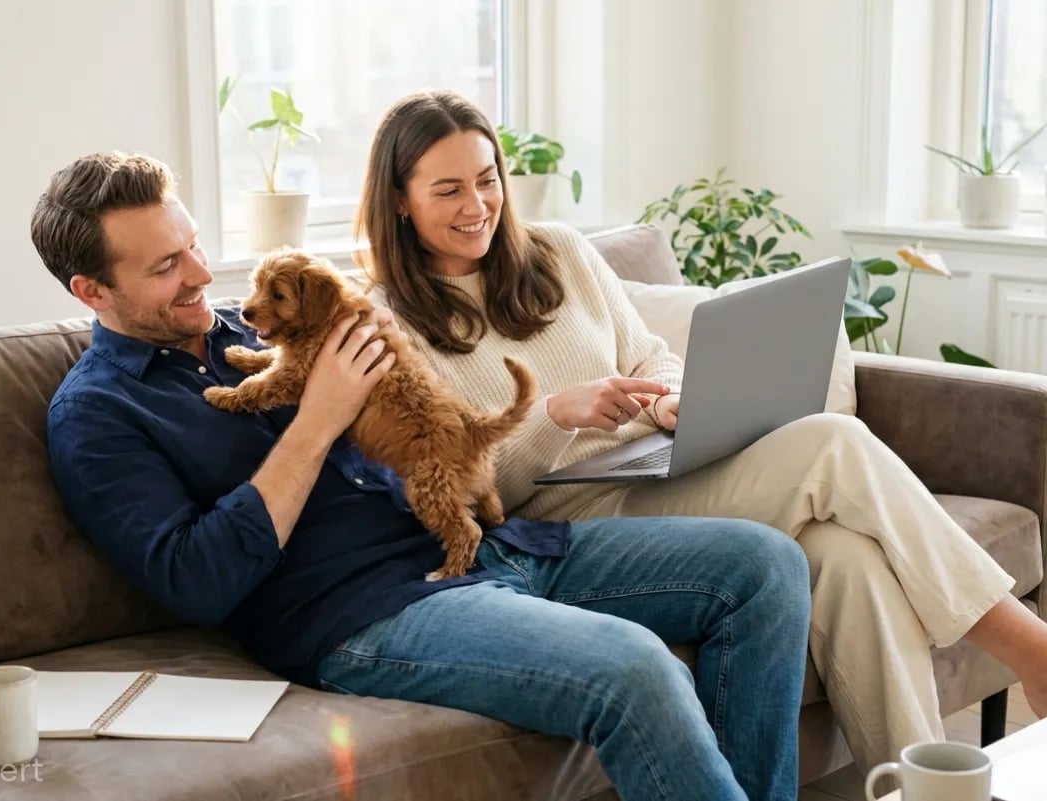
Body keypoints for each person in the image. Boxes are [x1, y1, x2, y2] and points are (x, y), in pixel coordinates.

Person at [32, 151, 812, 801]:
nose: (203, 273)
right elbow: (196, 578)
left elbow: (425, 403)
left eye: (195, 243)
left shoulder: (255, 328)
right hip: (367, 612)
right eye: (167, 265)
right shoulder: (96, 415)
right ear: (92, 291)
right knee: (634, 667)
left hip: (488, 544)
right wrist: (316, 421)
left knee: (764, 565)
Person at [356, 88, 1047, 775]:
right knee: (834, 444)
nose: (477, 206)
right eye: (447, 190)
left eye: (486, 180)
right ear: (398, 200)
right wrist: (555, 417)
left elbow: (650, 356)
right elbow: (465, 490)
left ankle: (919, 788)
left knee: (848, 558)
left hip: (658, 466)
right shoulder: (390, 323)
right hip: (570, 521)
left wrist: (667, 403)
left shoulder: (560, 252)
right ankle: (1031, 648)